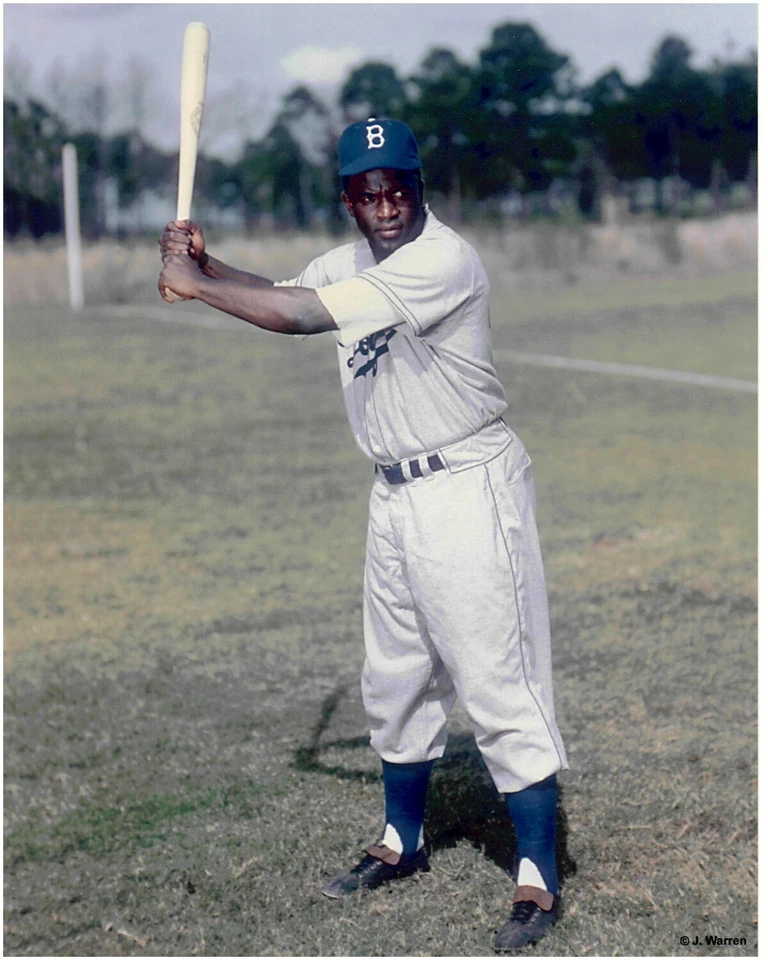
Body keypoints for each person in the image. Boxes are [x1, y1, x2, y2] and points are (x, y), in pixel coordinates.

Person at [158, 117, 568, 951]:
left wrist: (194, 285)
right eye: (367, 192)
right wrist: (204, 263)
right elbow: (283, 288)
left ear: (421, 187)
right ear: (348, 198)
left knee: (497, 678)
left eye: (398, 187)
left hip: (465, 482)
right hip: (394, 493)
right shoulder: (347, 263)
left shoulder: (441, 258)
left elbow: (299, 318)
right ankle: (402, 841)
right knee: (395, 674)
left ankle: (538, 876)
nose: (385, 204)